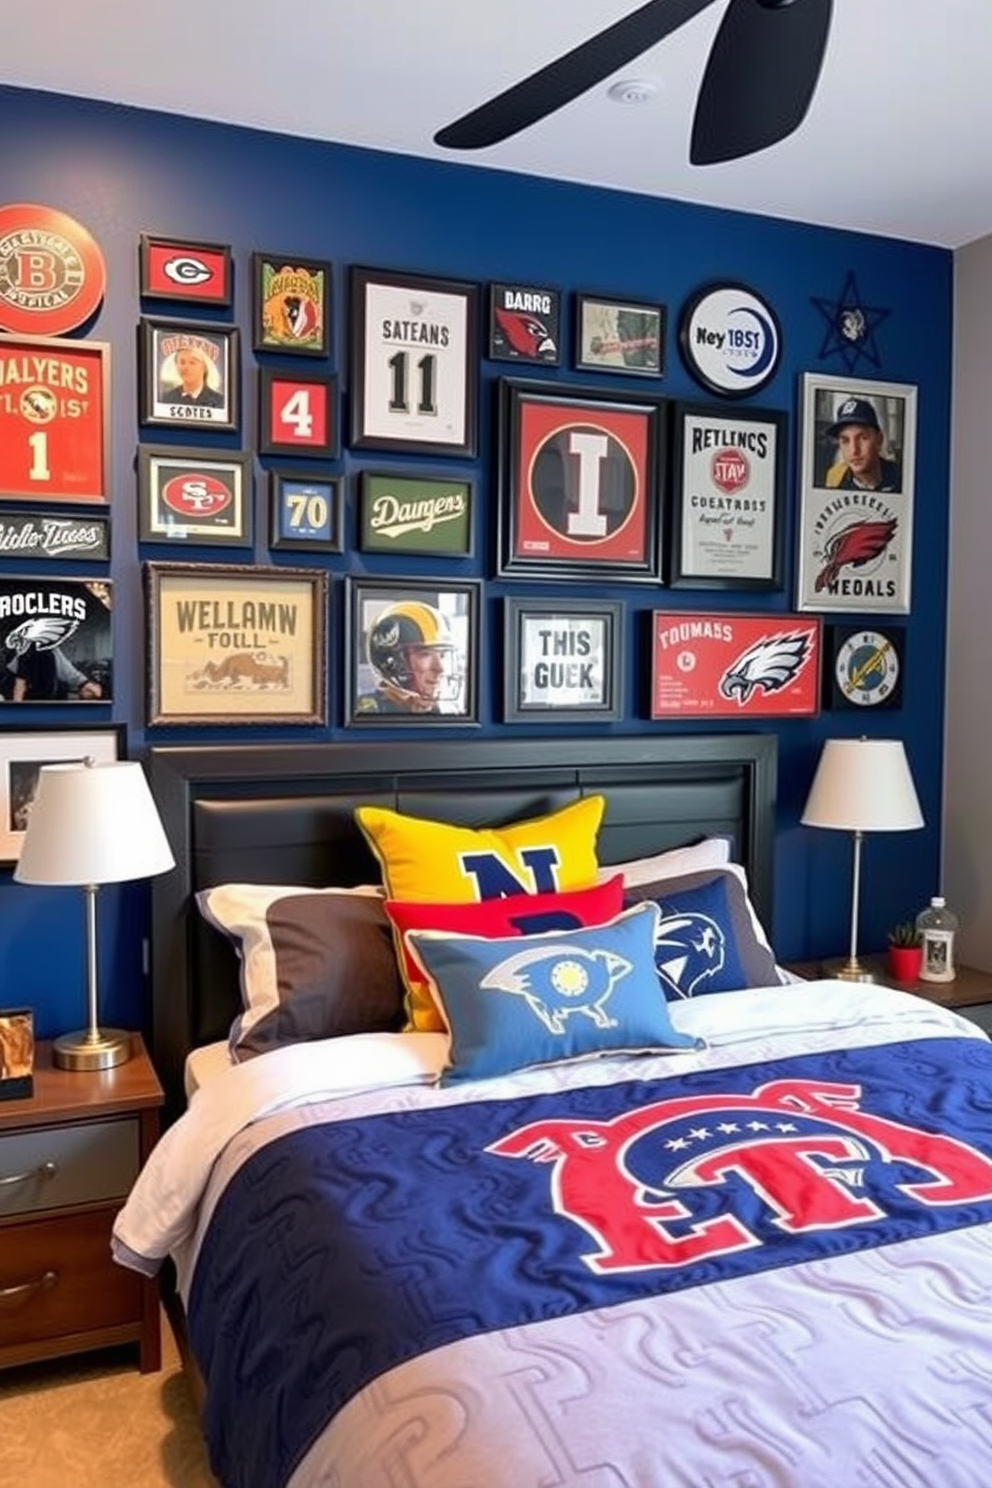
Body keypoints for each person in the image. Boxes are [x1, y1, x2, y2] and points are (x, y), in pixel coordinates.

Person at [355, 600, 461, 715]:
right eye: (425, 654)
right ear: (391, 662)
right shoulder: (364, 713)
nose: (440, 668)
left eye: (442, 655)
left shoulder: (446, 712)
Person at [824, 396, 901, 492]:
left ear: (879, 440)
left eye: (863, 438)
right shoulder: (835, 479)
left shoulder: (902, 478)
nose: (854, 450)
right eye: (845, 440)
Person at [7, 641, 102, 700]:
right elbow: (20, 684)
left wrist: (86, 684)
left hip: (46, 702)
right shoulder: (27, 652)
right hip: (30, 703)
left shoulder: (51, 651)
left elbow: (68, 671)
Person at [160, 343, 224, 408]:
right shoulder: (167, 399)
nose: (186, 367)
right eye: (182, 362)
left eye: (192, 363)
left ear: (205, 368)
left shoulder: (219, 401)